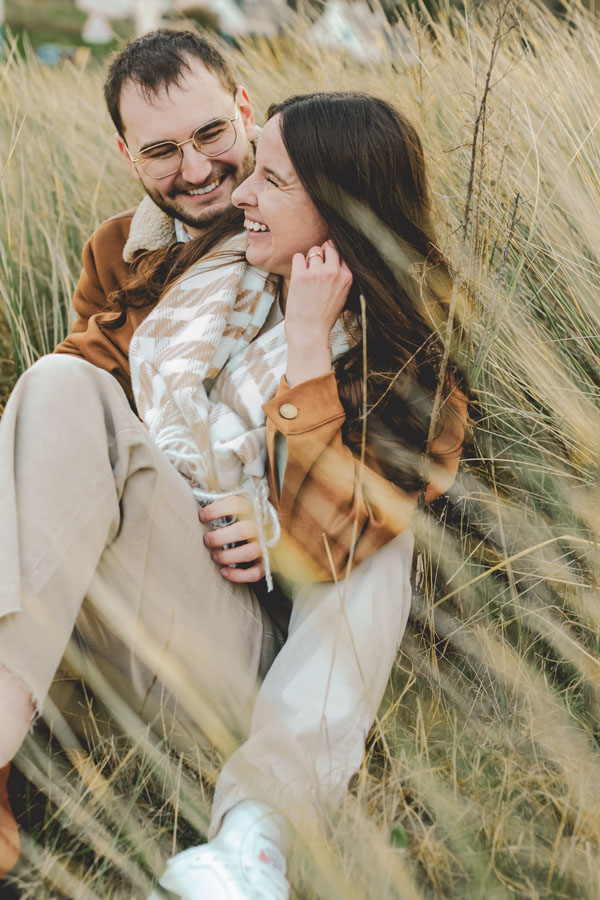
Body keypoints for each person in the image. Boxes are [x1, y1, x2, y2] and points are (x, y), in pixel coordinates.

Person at [0, 70, 467, 900]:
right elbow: (79, 427)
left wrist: (309, 350)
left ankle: (254, 842)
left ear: (340, 208)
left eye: (271, 179)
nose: (236, 187)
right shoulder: (195, 284)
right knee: (58, 386)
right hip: (156, 638)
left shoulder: (408, 369)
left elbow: (325, 547)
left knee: (380, 552)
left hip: (273, 689)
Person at [54, 28, 259, 407]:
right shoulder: (110, 252)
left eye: (211, 133)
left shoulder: (326, 209)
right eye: (161, 152)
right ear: (128, 156)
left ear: (244, 114)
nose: (197, 172)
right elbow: (89, 393)